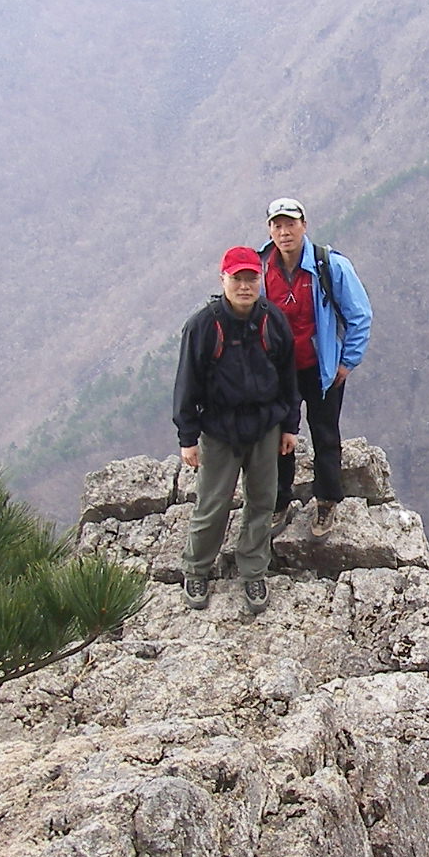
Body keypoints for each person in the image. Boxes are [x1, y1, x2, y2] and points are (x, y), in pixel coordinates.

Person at [170, 245, 300, 615]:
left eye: (251, 278)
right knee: (213, 504)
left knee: (262, 501)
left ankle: (253, 570)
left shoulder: (272, 321)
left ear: (259, 279)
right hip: (219, 428)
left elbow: (289, 379)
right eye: (237, 278)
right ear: (223, 279)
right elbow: (186, 383)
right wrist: (187, 437)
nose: (245, 286)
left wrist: (290, 426)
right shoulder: (203, 325)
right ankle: (196, 568)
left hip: (264, 426)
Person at [259, 196, 373, 535]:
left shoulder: (328, 266)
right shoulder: (261, 267)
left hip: (323, 369)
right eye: (277, 225)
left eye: (290, 224)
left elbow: (359, 315)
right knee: (280, 436)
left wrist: (346, 362)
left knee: (325, 434)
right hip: (281, 372)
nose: (284, 232)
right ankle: (280, 502)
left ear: (303, 225)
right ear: (269, 230)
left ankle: (326, 502)